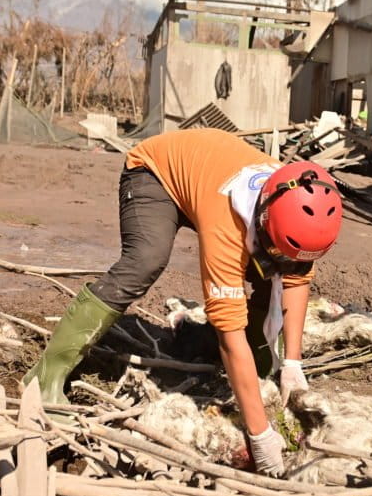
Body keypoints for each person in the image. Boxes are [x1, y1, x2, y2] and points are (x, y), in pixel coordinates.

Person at [23, 129, 344, 476]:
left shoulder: (295, 200)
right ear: (264, 218)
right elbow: (229, 332)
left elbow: (295, 278)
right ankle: (44, 380)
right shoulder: (228, 225)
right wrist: (259, 435)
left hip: (204, 179)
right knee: (145, 261)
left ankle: (239, 362)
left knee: (273, 271)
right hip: (155, 173)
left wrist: (293, 363)